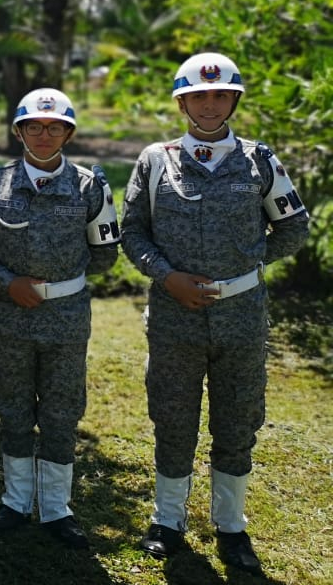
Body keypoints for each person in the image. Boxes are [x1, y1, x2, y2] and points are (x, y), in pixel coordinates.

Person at [120, 52, 309, 574]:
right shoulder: (155, 160)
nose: (209, 104)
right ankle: (167, 520)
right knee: (173, 417)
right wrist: (167, 275)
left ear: (233, 101)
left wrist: (247, 266)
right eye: (199, 95)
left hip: (241, 319)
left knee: (237, 420)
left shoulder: (259, 160)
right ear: (182, 101)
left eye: (220, 95)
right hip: (174, 316)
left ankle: (231, 525)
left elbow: (294, 227)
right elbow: (132, 232)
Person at [0, 87, 119, 549]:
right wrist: (9, 280)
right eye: (34, 126)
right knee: (12, 408)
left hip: (67, 319)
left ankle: (56, 508)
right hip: (11, 317)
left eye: (55, 127)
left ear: (69, 132)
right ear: (19, 132)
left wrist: (59, 283)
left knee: (61, 412)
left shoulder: (90, 186)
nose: (44, 134)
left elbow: (106, 253)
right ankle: (16, 501)